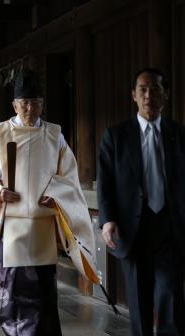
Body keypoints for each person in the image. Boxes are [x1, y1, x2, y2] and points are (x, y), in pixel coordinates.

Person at [0, 70, 98, 335]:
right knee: (13, 288)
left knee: (44, 289)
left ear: (42, 103)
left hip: (42, 225)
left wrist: (57, 196)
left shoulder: (54, 135)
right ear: (14, 105)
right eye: (23, 102)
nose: (29, 107)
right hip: (11, 226)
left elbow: (68, 177)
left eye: (35, 101)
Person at [98, 68, 185, 336]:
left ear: (165, 95)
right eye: (143, 89)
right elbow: (106, 182)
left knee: (170, 296)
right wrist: (107, 220)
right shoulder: (116, 136)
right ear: (134, 96)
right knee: (138, 300)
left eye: (156, 89)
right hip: (133, 228)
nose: (149, 95)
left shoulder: (179, 134)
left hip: (170, 227)